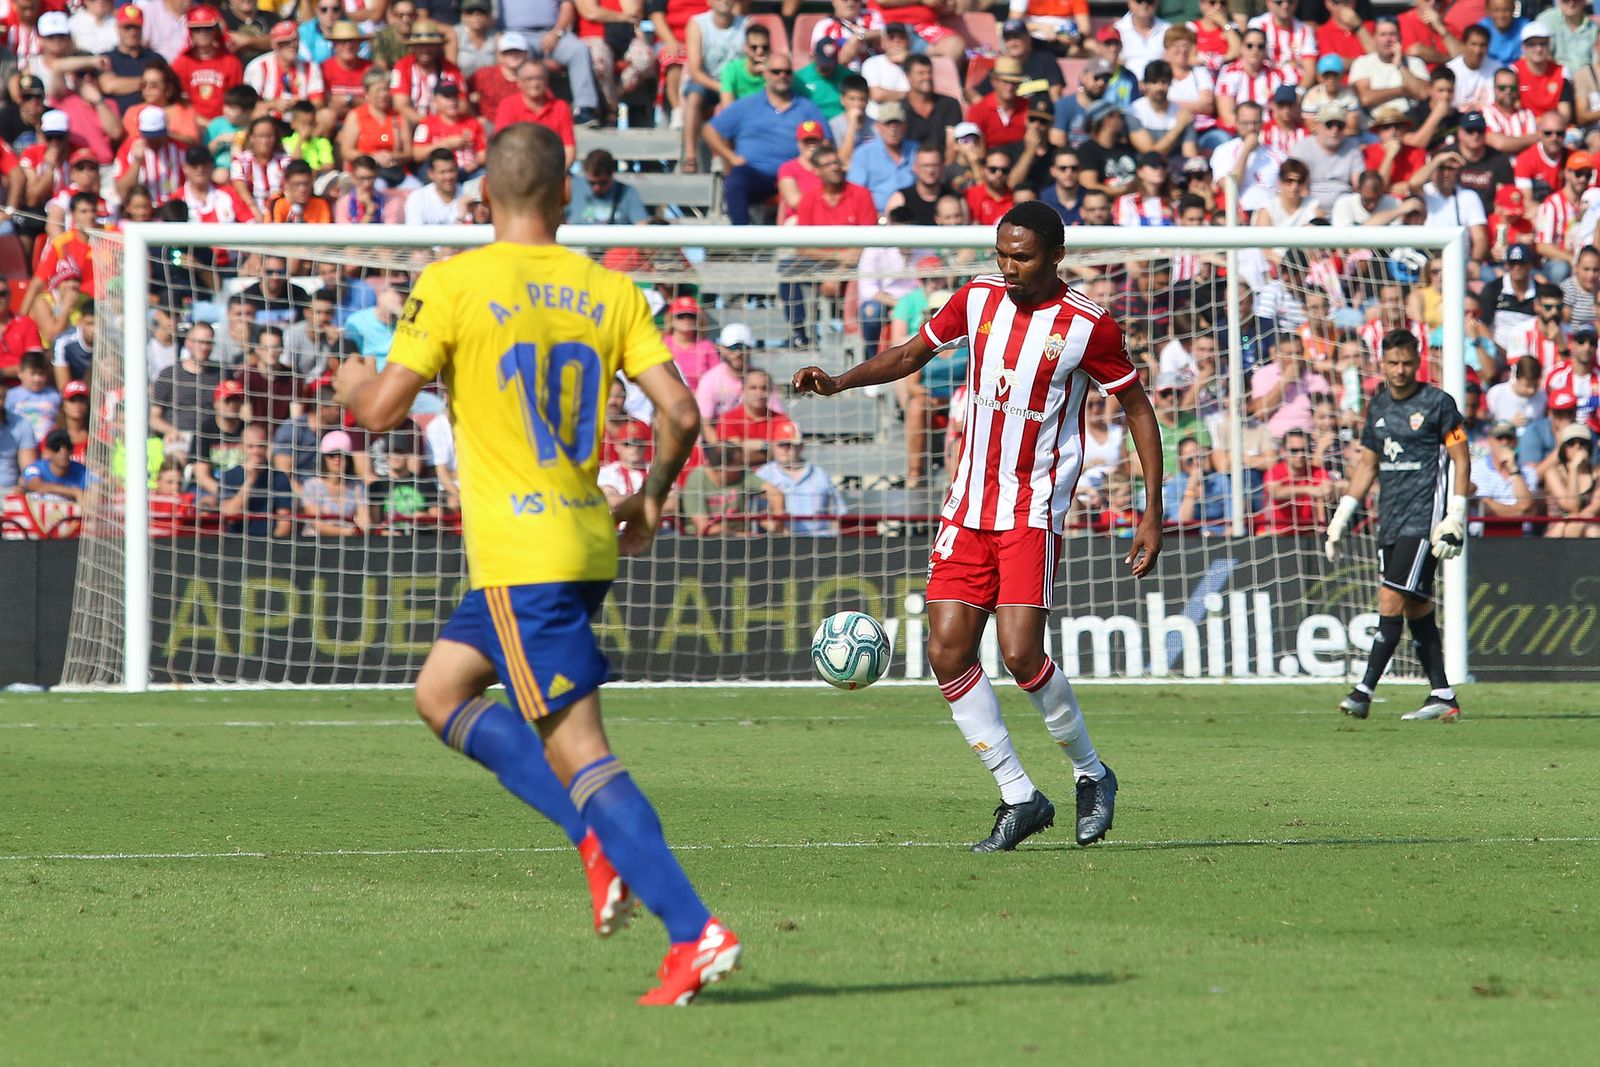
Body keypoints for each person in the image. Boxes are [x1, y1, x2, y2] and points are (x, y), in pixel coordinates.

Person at [333, 122, 740, 1005]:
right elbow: (679, 412)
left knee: (584, 755)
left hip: (523, 550)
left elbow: (379, 413)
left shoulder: (452, 284)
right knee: (441, 691)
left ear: (485, 198)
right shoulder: (608, 290)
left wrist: (346, 381)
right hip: (584, 534)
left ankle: (693, 927)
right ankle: (597, 846)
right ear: (566, 197)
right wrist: (654, 496)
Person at [792, 201, 1165, 851]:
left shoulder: (1088, 326)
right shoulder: (976, 299)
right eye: (1001, 254)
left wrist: (1151, 508)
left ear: (1054, 257)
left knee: (1021, 651)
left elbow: (1136, 408)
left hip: (1031, 508)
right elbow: (910, 353)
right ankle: (1019, 795)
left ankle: (1091, 772)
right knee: (946, 651)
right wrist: (840, 382)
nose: (1009, 266)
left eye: (1021, 256)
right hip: (966, 506)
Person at [1325, 330, 1473, 722]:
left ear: (1418, 360)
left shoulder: (1438, 404)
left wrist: (1455, 513)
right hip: (1389, 519)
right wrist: (1343, 514)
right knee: (1416, 607)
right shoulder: (1378, 405)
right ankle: (1442, 693)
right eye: (1393, 363)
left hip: (1423, 520)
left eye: (1408, 362)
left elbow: (1461, 456)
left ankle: (1363, 691)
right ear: (1382, 362)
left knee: (1389, 600)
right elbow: (1368, 464)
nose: (1401, 370)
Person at [20, 427, 90, 503]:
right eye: (56, 447)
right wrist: (75, 492)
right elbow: (37, 486)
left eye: (68, 447)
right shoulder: (34, 469)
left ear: (72, 450)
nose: (63, 451)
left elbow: (96, 491)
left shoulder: (83, 472)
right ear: (47, 451)